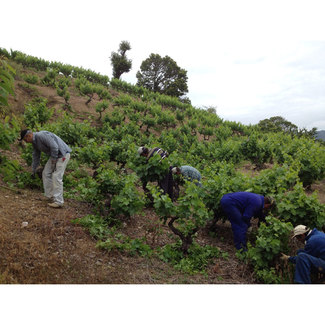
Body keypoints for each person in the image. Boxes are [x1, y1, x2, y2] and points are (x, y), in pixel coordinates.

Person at [19, 129, 72, 208]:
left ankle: (59, 201)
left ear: (29, 136)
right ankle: (50, 196)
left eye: (25, 139)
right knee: (46, 173)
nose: (25, 141)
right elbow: (36, 155)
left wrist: (54, 161)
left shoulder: (41, 136)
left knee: (56, 176)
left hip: (62, 154)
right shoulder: (35, 142)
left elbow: (54, 147)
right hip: (55, 155)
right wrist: (34, 170)